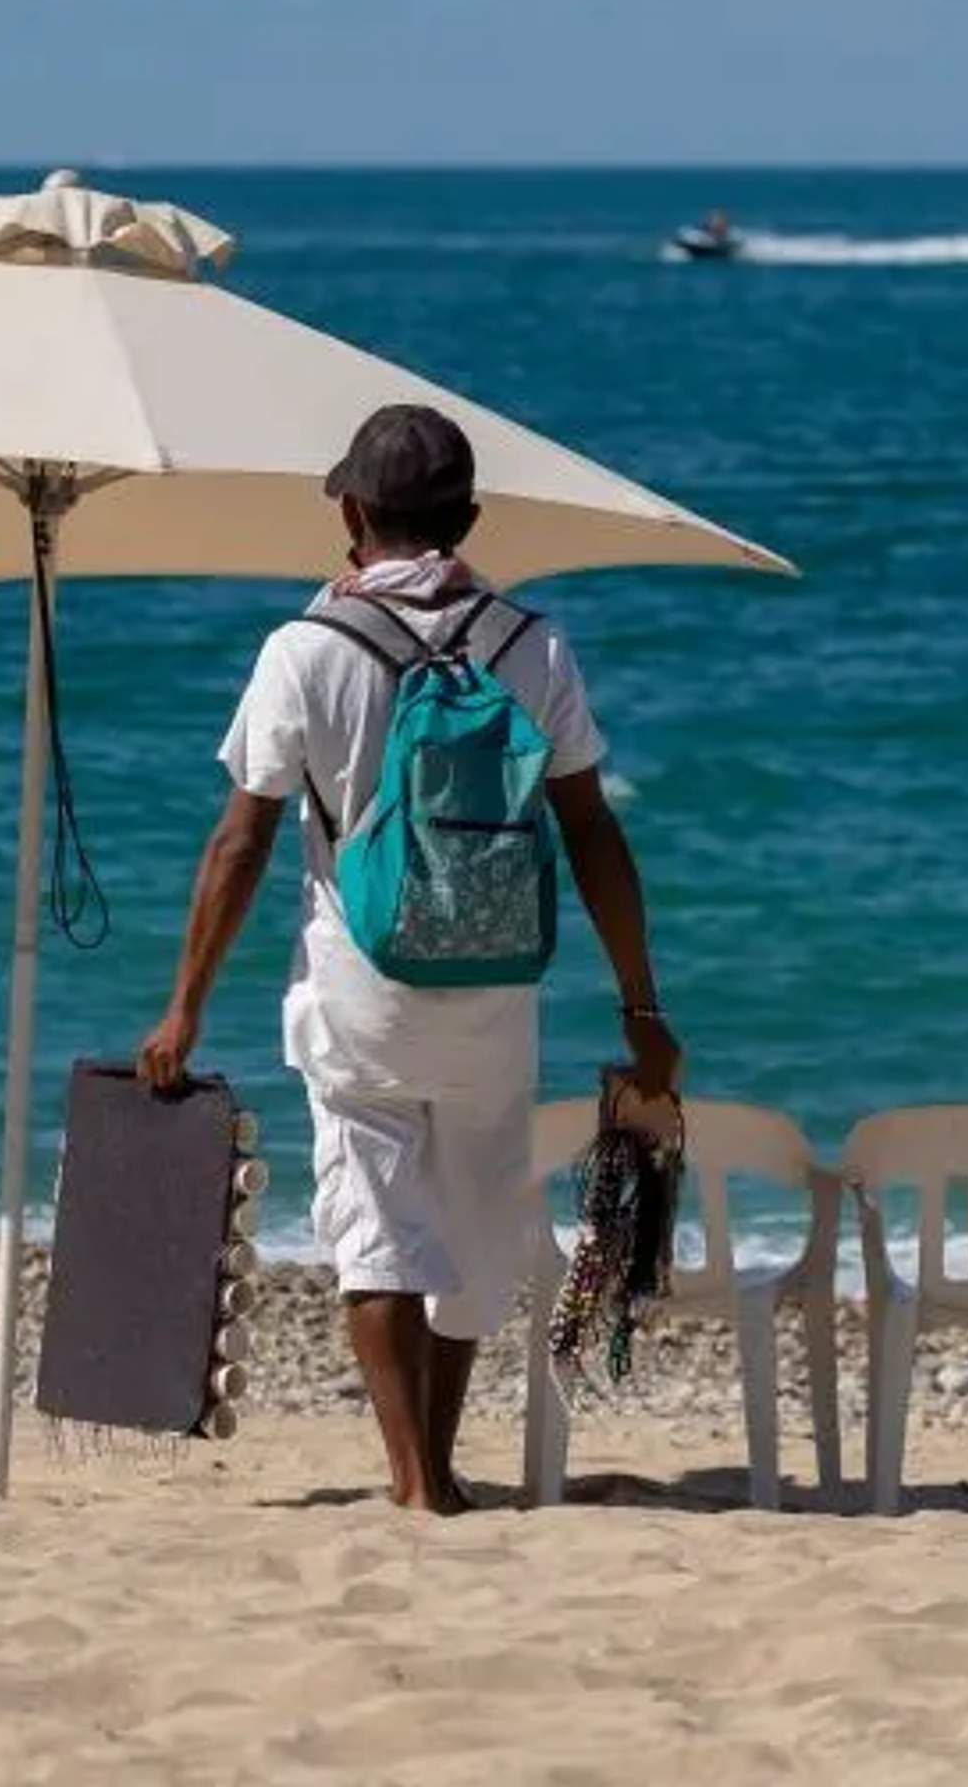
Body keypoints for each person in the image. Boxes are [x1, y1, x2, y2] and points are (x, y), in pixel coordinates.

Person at [135, 401, 682, 1514]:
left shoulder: (306, 650)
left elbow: (240, 840)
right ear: (469, 516)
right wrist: (640, 1005)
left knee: (374, 1224)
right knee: (479, 1227)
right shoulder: (533, 645)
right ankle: (442, 1467)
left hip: (361, 990)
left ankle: (412, 1482)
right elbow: (592, 832)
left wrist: (183, 1009)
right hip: (495, 989)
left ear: (350, 510)